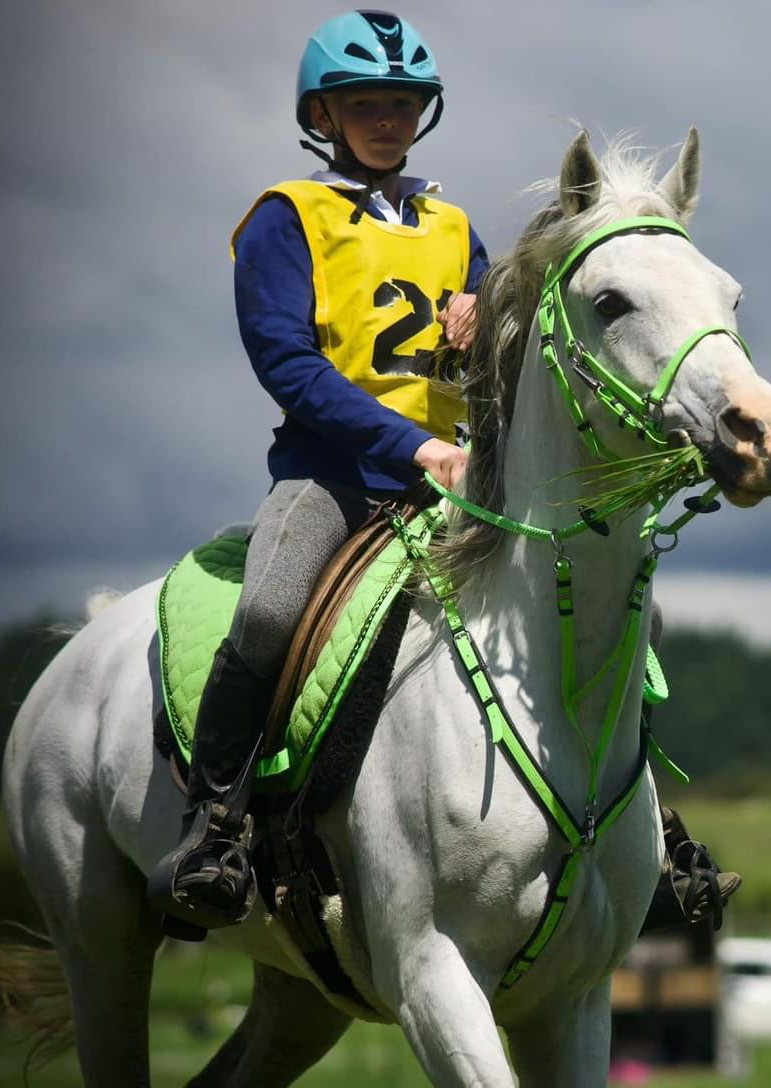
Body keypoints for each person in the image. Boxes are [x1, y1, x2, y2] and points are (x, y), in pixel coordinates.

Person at [150, 10, 736, 935]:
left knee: (625, 609)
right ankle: (214, 826)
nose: (387, 119)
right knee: (268, 610)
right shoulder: (283, 218)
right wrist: (409, 444)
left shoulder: (451, 223)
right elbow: (288, 364)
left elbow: (490, 369)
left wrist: (480, 339)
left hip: (460, 479)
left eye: (404, 104)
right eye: (366, 104)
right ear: (323, 113)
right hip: (333, 477)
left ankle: (649, 834)